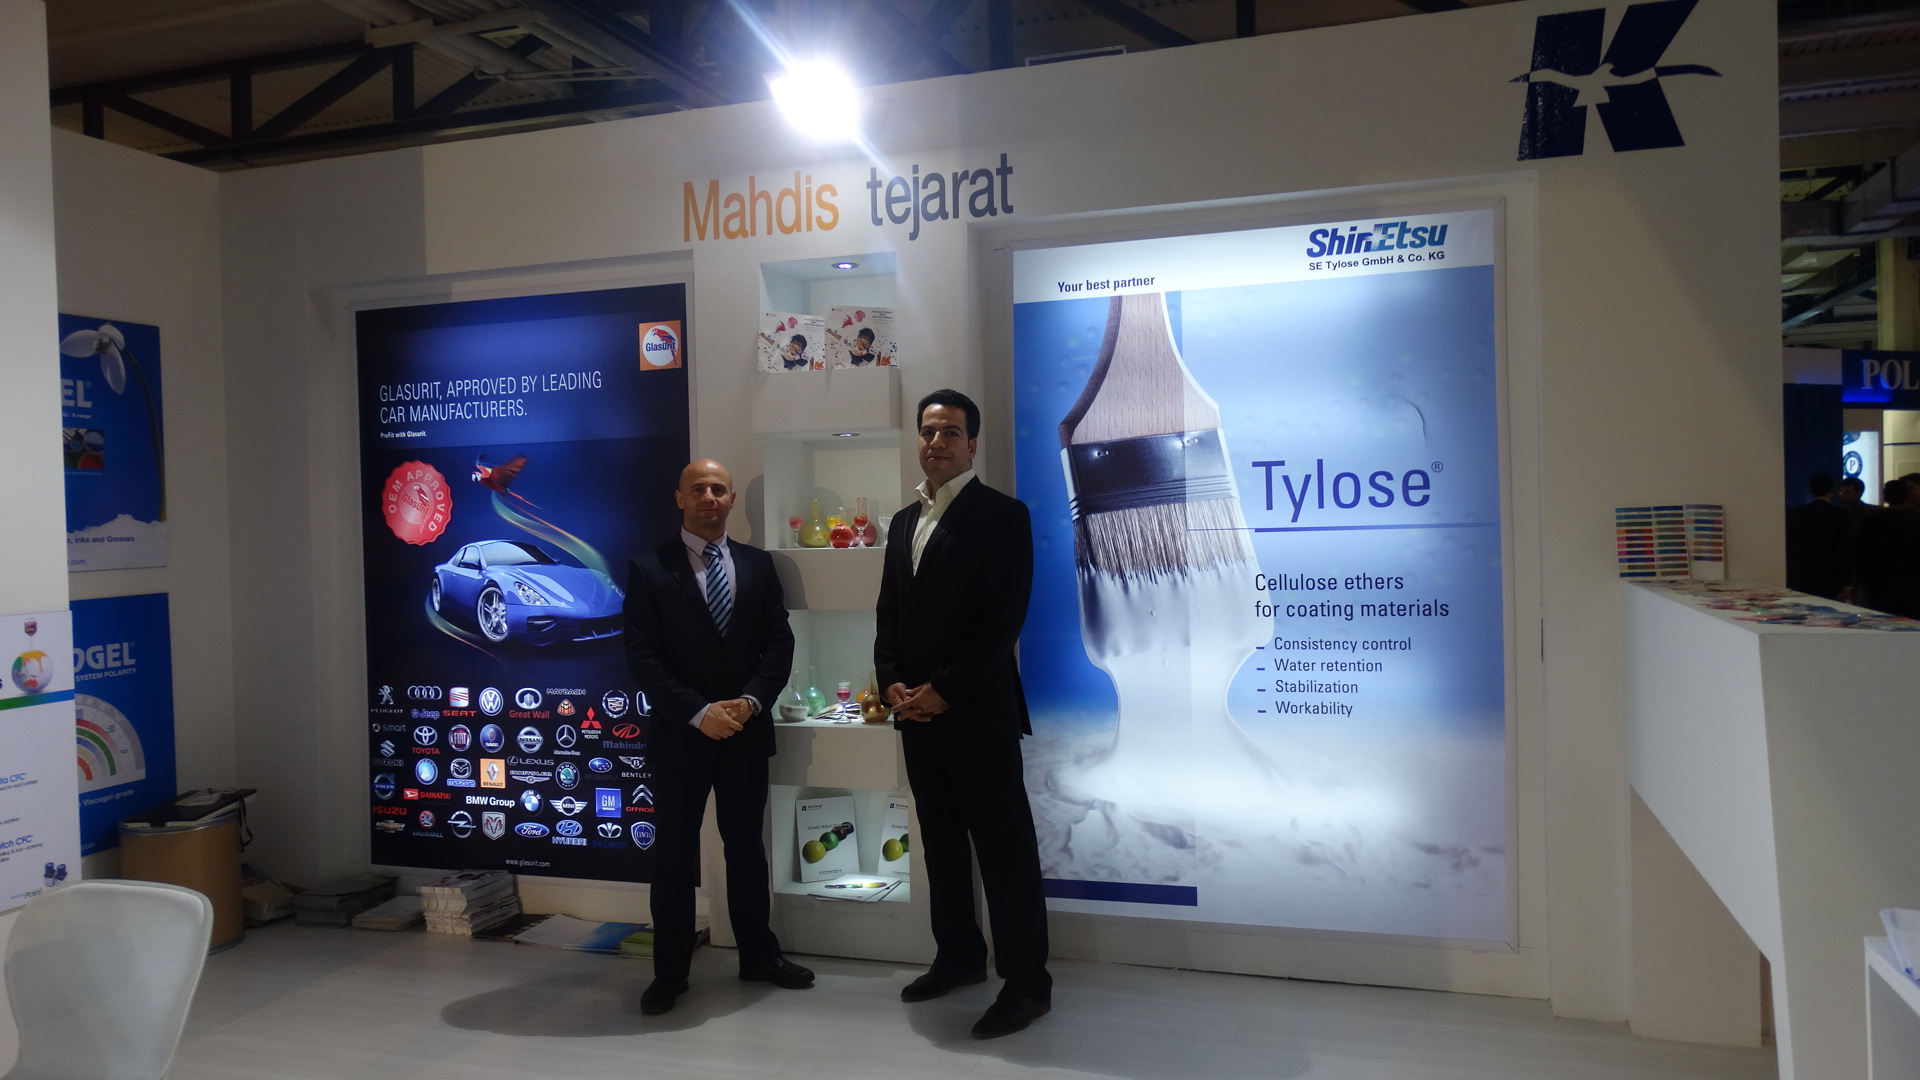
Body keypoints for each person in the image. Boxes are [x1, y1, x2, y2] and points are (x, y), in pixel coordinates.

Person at [875, 388, 1052, 1039]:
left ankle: (1027, 983)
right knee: (941, 843)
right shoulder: (903, 521)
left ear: (972, 444)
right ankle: (958, 957)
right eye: (928, 430)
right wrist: (892, 683)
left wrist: (944, 689)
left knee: (1004, 851)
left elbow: (1002, 622)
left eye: (950, 431)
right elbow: (889, 613)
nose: (937, 442)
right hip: (917, 716)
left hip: (978, 713)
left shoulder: (1003, 515)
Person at [624, 459, 813, 1015]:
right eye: (698, 488)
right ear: (680, 498)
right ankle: (670, 973)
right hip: (681, 737)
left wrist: (750, 702)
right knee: (673, 857)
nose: (709, 496)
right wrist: (698, 712)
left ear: (731, 500)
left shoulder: (758, 565)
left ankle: (758, 956)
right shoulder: (648, 568)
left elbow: (778, 645)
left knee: (747, 850)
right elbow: (642, 656)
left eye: (718, 489)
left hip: (745, 733)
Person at [1855, 477, 1920, 617]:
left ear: (1885, 497)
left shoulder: (1872, 519)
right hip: (1912, 582)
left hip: (1878, 582)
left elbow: (1861, 552)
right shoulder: (1915, 519)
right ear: (1907, 496)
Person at [1784, 472, 1854, 601]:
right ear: (1832, 490)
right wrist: (1847, 581)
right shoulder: (1841, 515)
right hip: (1830, 576)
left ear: (1811, 489)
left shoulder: (1795, 514)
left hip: (1800, 574)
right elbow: (1844, 549)